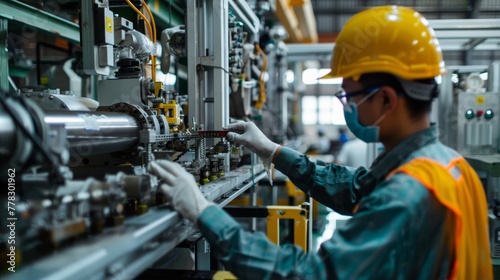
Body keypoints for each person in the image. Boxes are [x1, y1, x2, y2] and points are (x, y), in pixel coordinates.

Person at [149, 6, 492, 279]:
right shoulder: (446, 165)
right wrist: (273, 151)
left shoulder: (410, 193)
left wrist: (205, 213)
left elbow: (311, 275)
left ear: (386, 100)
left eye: (349, 96)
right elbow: (357, 189)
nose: (347, 106)